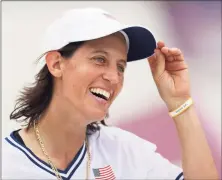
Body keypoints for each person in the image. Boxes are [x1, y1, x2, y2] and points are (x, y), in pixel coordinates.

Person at [2, 7, 218, 180]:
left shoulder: (126, 152)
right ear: (57, 64)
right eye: (100, 59)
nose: (114, 77)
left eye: (121, 67)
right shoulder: (7, 163)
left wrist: (179, 102)